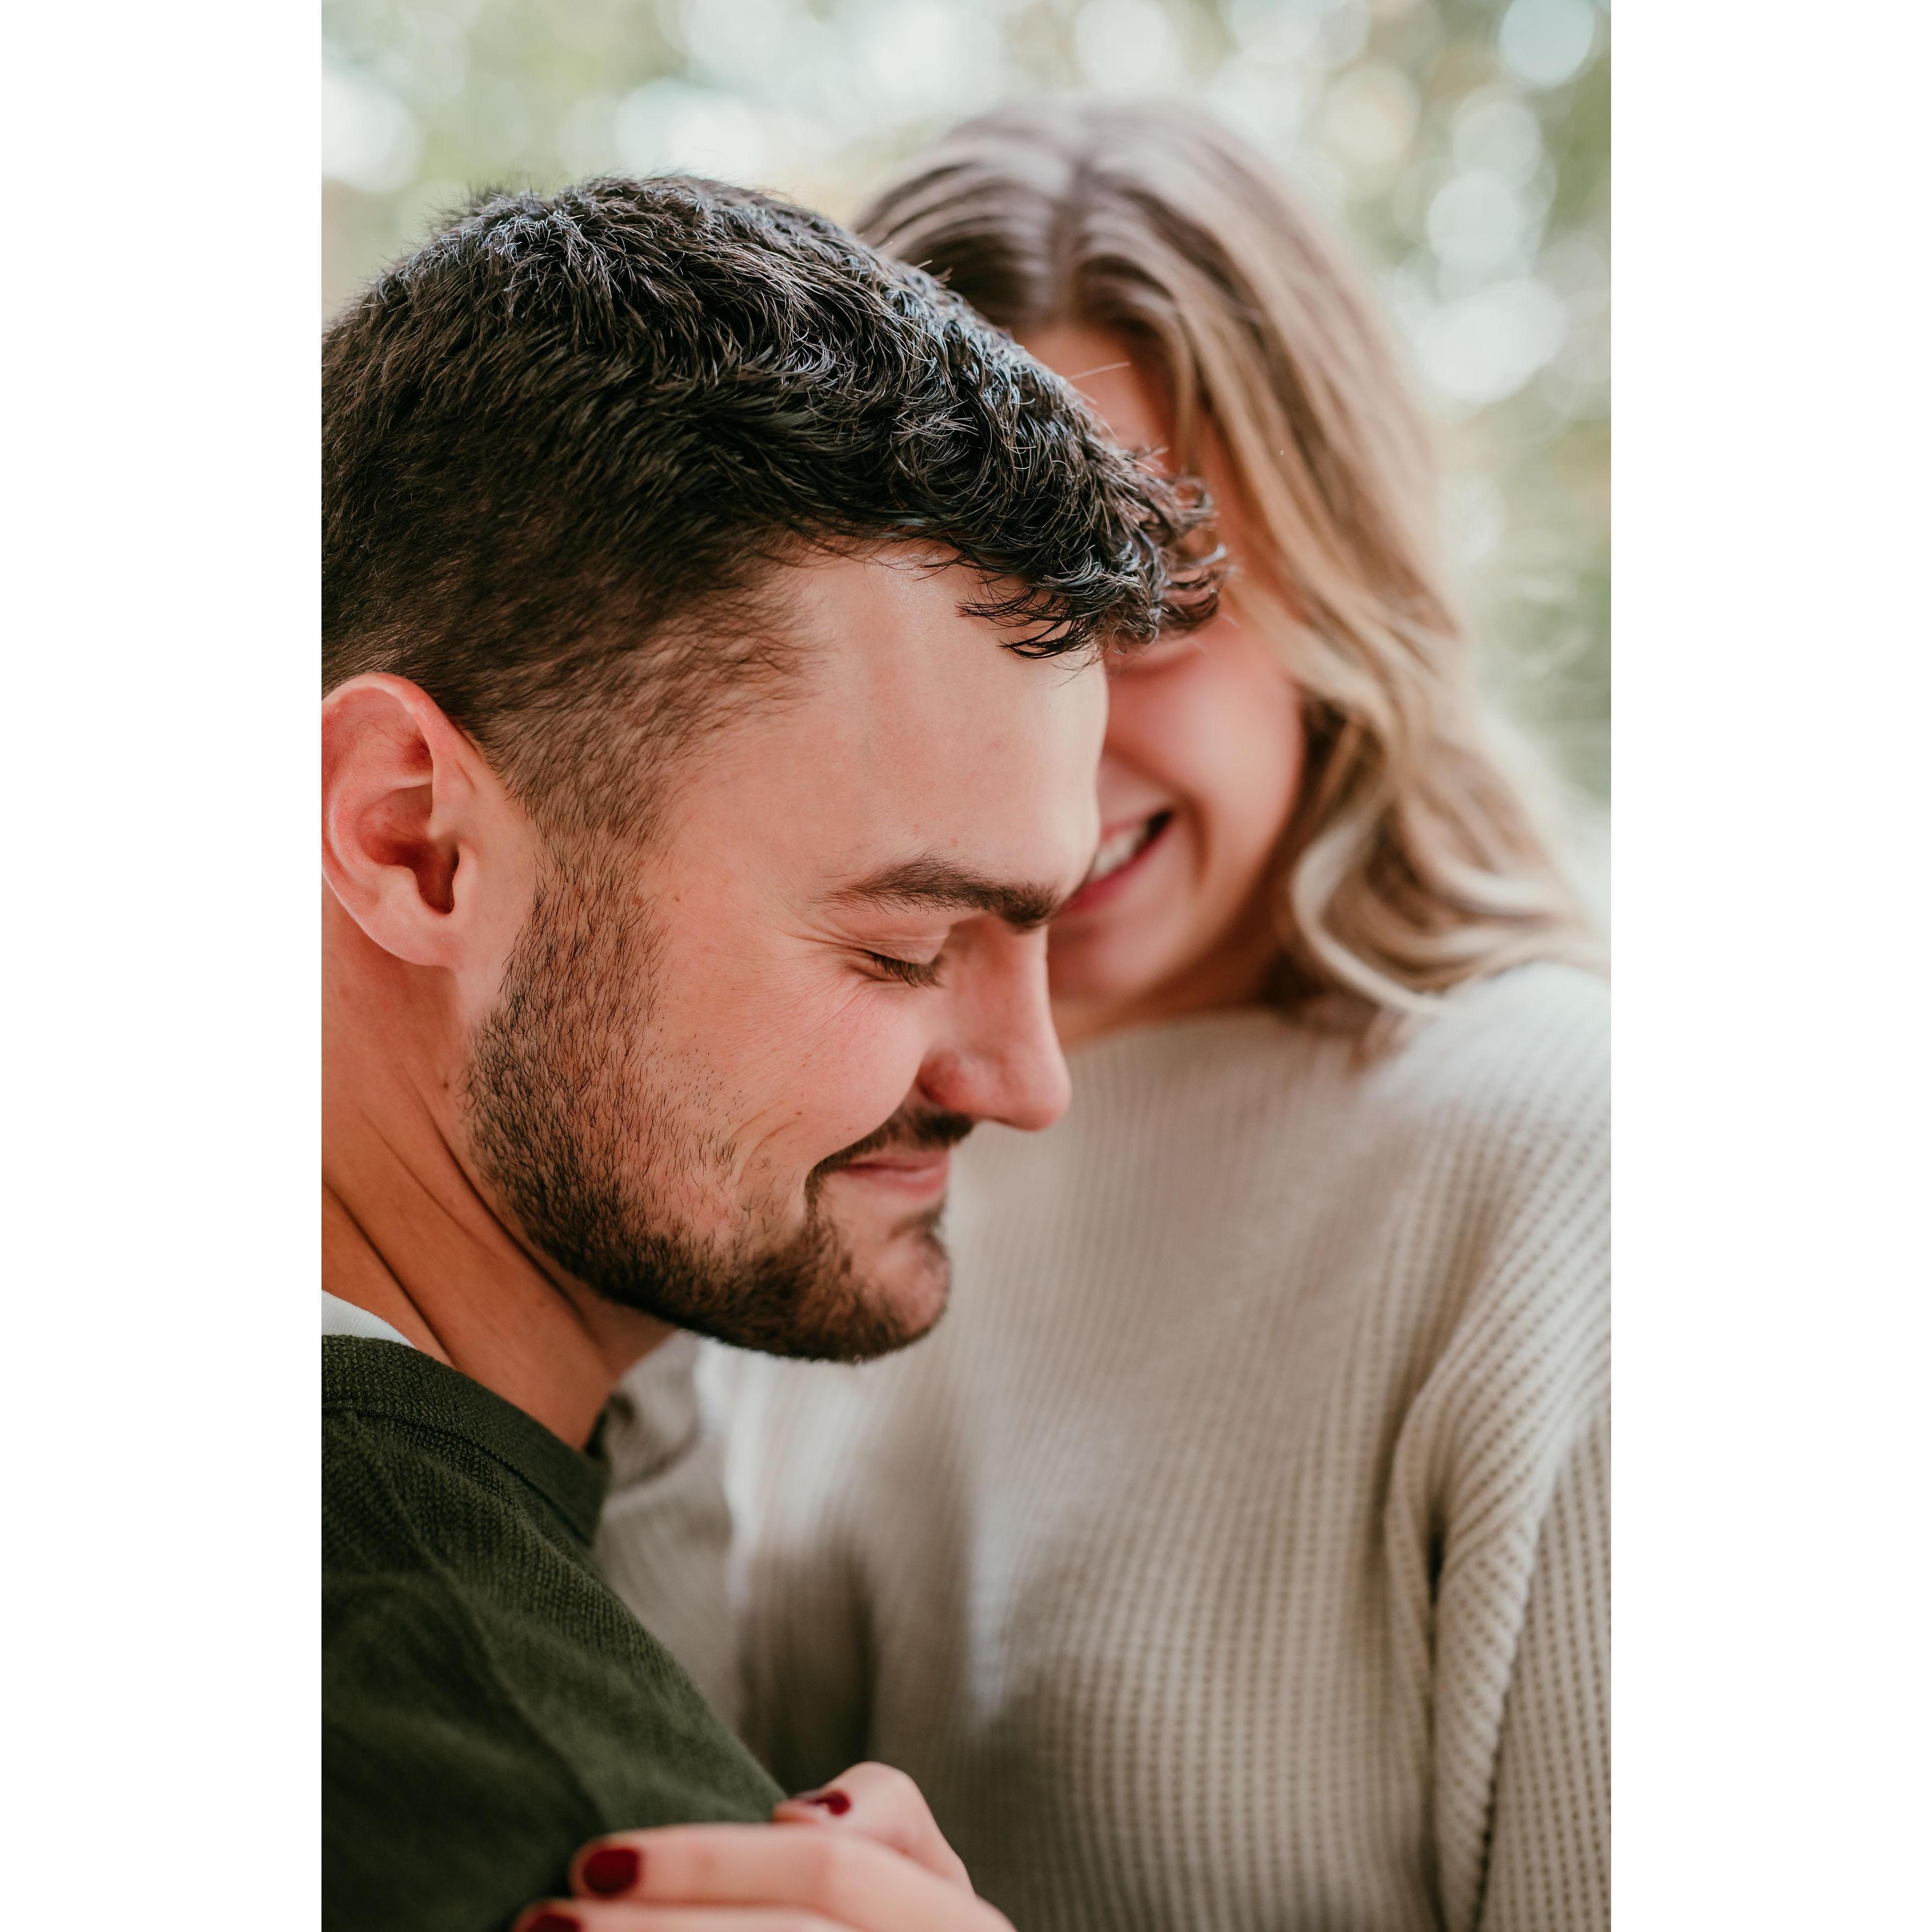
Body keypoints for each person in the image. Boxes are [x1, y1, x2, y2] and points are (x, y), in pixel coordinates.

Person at [628, 106, 1608, 1932]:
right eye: (961, 624)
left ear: (1346, 596)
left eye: (1139, 610)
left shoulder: (1568, 1167)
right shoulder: (779, 1108)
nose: (1050, 779)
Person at [321, 171, 1216, 1932]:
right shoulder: (543, 1811)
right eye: (905, 947)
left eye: (1042, 926)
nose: (1028, 1083)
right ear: (412, 841)